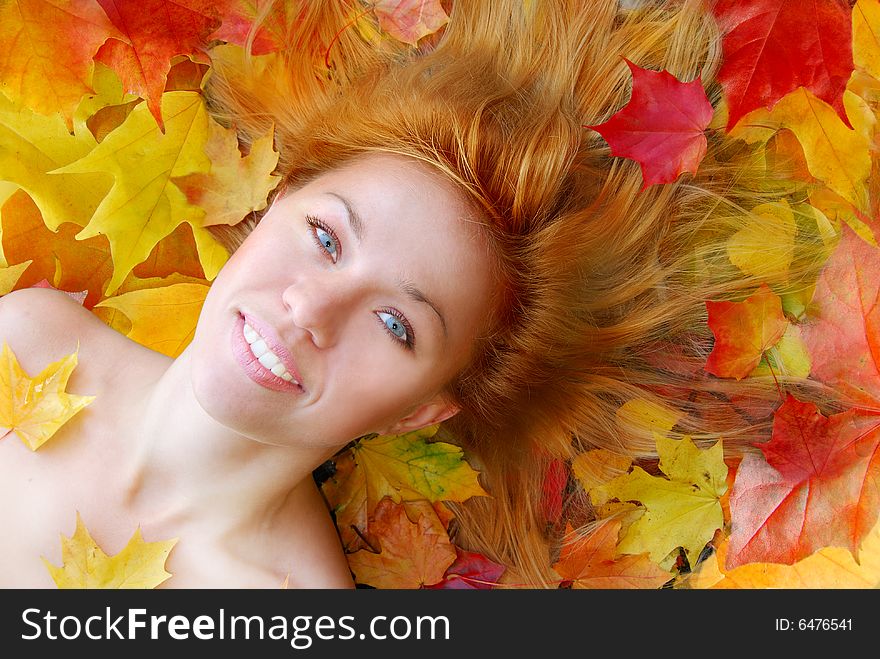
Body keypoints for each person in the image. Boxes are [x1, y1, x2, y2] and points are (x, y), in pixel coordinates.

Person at [0, 0, 832, 588]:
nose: (312, 311)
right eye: (325, 237)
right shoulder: (28, 342)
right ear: (271, 206)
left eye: (396, 323)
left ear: (422, 410)